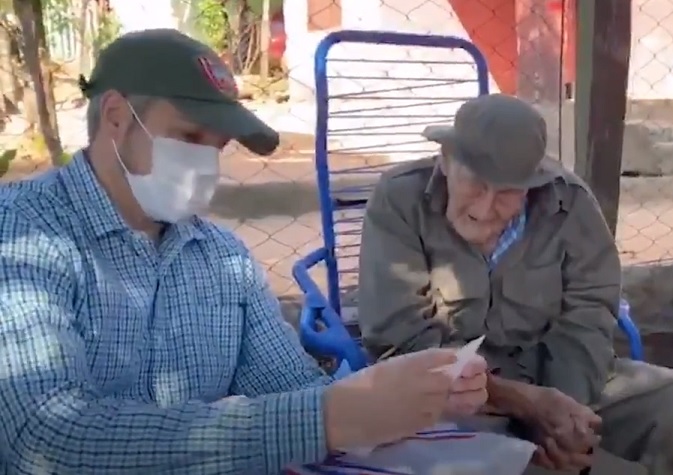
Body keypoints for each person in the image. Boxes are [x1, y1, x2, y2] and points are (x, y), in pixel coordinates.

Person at [0, 29, 490, 474]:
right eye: (190, 137)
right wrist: (329, 417)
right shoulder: (23, 233)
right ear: (115, 117)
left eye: (217, 146)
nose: (205, 163)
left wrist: (406, 396)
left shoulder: (223, 259)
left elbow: (291, 389)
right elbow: (44, 438)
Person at [357, 93, 673, 474]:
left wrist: (563, 416)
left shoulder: (570, 203)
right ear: (446, 160)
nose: (485, 207)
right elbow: (401, 337)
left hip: (560, 383)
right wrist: (522, 403)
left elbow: (589, 314)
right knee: (496, 464)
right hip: (454, 398)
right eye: (475, 183)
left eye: (507, 192)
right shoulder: (398, 199)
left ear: (531, 183)